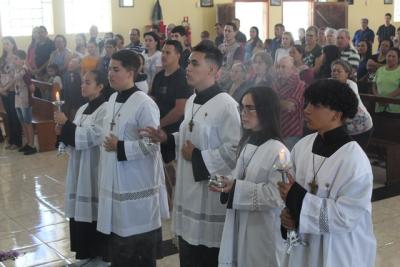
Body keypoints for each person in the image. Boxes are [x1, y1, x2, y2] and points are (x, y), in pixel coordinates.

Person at [142, 43, 241, 267]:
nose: (188, 68)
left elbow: (235, 152)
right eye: (188, 63)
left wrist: (197, 156)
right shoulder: (192, 100)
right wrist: (167, 138)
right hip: (189, 193)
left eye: (195, 63)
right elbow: (189, 136)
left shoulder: (227, 106)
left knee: (206, 257)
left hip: (209, 198)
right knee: (188, 254)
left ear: (213, 70)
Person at [278, 79, 376, 267]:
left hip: (339, 249)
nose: (306, 110)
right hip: (303, 246)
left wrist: (297, 198)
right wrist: (288, 217)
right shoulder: (303, 146)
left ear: (336, 114)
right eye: (307, 103)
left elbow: (345, 217)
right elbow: (289, 192)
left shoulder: (354, 160)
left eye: (316, 105)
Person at [97, 49, 169, 267]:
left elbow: (152, 143)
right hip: (114, 184)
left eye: (115, 69)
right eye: (109, 68)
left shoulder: (144, 103)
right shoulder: (111, 99)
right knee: (119, 251)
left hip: (136, 187)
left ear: (130, 72)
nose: (110, 74)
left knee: (138, 253)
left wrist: (121, 147)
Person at [212, 86, 286, 267]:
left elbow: (277, 195)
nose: (243, 113)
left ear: (266, 110)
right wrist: (226, 183)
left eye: (249, 108)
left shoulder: (279, 151)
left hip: (262, 230)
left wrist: (235, 188)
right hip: (241, 221)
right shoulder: (247, 142)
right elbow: (240, 175)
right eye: (242, 108)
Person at [54, 70, 109, 267]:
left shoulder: (105, 109)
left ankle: (100, 251)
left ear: (100, 86)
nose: (82, 86)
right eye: (82, 82)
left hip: (94, 166)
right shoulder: (82, 108)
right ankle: (86, 250)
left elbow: (93, 136)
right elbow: (74, 136)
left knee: (94, 207)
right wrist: (63, 130)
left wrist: (67, 125)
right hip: (79, 166)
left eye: (87, 82)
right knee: (80, 206)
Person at [150, 40, 193, 209]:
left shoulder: (182, 78)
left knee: (173, 168)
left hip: (173, 132)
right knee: (161, 167)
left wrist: (159, 124)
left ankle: (178, 201)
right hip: (158, 130)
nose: (164, 56)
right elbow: (152, 100)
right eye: (163, 52)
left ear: (178, 55)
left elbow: (179, 109)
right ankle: (166, 202)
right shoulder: (159, 76)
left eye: (168, 53)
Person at [331, 60, 373, 149]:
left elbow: (345, 106)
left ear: (347, 74)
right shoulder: (331, 84)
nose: (335, 73)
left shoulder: (351, 85)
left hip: (362, 127)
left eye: (339, 71)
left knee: (356, 154)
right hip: (347, 128)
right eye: (333, 71)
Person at [274, 56, 305, 150]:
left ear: (292, 69)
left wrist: (272, 101)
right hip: (276, 131)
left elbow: (289, 106)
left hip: (292, 133)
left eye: (283, 67)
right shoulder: (275, 83)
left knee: (287, 164)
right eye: (278, 67)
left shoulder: (299, 84)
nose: (280, 70)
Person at [0, 36, 22, 149]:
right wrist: (1, 88)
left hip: (13, 90)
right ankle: (11, 139)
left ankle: (17, 141)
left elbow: (16, 76)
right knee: (8, 115)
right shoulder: (2, 59)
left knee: (14, 116)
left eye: (7, 43)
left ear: (13, 44)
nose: (5, 46)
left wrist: (7, 87)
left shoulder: (16, 58)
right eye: (4, 44)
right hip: (3, 90)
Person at [13, 50, 36, 155]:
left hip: (25, 100)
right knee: (23, 123)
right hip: (18, 99)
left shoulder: (24, 71)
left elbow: (32, 88)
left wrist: (27, 92)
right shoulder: (16, 70)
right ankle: (27, 143)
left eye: (16, 59)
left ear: (22, 60)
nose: (14, 61)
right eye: (13, 58)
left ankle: (32, 145)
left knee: (28, 123)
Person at [373, 47, 400, 114]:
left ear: (398, 59)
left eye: (394, 56)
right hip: (379, 106)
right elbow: (374, 85)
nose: (390, 58)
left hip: (395, 108)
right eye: (389, 56)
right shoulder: (380, 70)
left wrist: (386, 99)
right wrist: (378, 97)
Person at [218, 22, 244, 90]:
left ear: (235, 33)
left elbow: (236, 70)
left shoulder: (238, 48)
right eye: (225, 30)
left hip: (229, 82)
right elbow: (216, 64)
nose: (226, 33)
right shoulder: (220, 47)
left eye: (229, 31)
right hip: (218, 79)